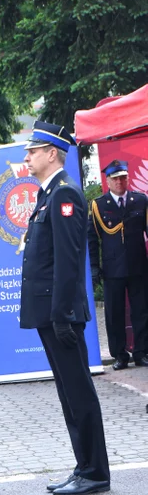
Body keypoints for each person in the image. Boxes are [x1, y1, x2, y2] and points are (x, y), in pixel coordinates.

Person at [20, 120, 110, 495]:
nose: (27, 157)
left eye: (33, 150)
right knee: (68, 393)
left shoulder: (64, 194)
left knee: (79, 392)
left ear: (51, 153)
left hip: (63, 316)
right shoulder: (48, 195)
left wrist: (61, 315)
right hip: (53, 314)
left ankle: (95, 473)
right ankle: (84, 466)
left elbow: (68, 263)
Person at [88, 159, 148, 371]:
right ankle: (120, 355)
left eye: (123, 178)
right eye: (115, 179)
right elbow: (92, 240)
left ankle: (141, 352)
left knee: (141, 310)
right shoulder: (98, 205)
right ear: (108, 181)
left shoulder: (140, 200)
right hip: (112, 269)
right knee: (114, 314)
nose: (120, 182)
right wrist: (94, 267)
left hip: (138, 266)